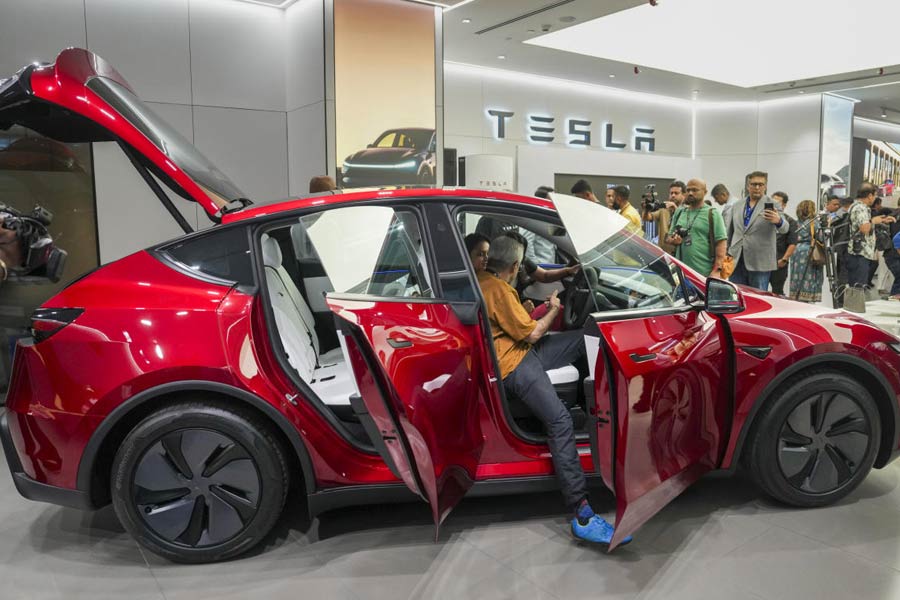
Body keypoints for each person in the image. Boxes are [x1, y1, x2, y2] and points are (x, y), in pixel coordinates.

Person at [477, 235, 630, 546]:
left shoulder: (484, 280)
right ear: (515, 265)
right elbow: (533, 334)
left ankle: (594, 404)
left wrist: (532, 310)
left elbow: (514, 325)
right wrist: (554, 309)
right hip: (514, 361)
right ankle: (582, 513)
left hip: (516, 348)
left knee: (583, 337)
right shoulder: (498, 289)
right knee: (559, 420)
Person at [725, 171, 789, 290]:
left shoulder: (773, 204)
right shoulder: (737, 205)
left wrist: (778, 221)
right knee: (736, 295)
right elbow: (730, 231)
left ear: (765, 186)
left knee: (757, 297)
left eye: (761, 184)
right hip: (736, 260)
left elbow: (785, 229)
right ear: (748, 186)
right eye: (754, 184)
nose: (757, 187)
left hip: (760, 262)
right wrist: (726, 253)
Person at [665, 178, 727, 276]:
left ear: (705, 192)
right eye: (688, 190)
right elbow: (668, 238)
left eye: (694, 190)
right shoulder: (680, 212)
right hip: (680, 272)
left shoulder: (712, 213)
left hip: (703, 274)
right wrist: (673, 240)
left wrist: (717, 270)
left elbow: (721, 243)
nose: (690, 193)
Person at [847, 183, 895, 292]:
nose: (874, 198)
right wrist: (873, 221)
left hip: (860, 253)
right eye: (874, 195)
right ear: (869, 195)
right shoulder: (860, 208)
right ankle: (855, 303)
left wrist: (881, 220)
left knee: (858, 287)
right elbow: (864, 228)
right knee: (858, 288)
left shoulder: (857, 206)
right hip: (859, 254)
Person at [789, 200, 824, 303]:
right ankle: (808, 296)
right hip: (809, 251)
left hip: (796, 251)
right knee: (810, 275)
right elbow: (821, 238)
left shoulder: (795, 223)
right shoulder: (813, 223)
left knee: (796, 275)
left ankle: (797, 295)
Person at [642, 180, 685, 254]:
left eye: (676, 193)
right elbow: (647, 218)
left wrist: (676, 209)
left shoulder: (687, 210)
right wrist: (646, 209)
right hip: (663, 253)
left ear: (684, 195)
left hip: (679, 254)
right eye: (671, 193)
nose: (673, 195)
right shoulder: (664, 210)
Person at [770, 191, 798, 296]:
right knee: (759, 290)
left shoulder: (790, 222)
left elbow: (793, 243)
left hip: (779, 261)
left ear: (784, 205)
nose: (775, 205)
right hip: (763, 262)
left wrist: (784, 259)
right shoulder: (765, 219)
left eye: (778, 203)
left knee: (777, 292)